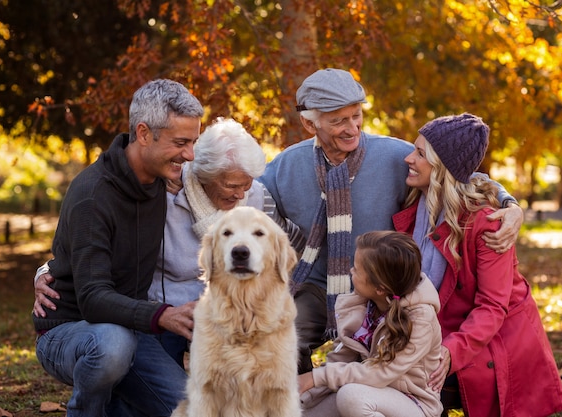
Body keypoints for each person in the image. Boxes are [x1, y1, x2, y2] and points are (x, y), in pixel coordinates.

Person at [258, 68, 524, 374]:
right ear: (309, 123)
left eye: (356, 115)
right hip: (317, 285)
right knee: (280, 339)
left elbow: (460, 175)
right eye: (338, 120)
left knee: (365, 374)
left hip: (381, 291)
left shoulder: (395, 156)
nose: (351, 128)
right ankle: (297, 400)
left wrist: (510, 203)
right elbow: (246, 196)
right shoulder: (287, 165)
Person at [34, 117, 306, 368]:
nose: (240, 195)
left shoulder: (255, 195)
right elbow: (106, 243)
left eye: (246, 185)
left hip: (230, 312)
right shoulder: (162, 192)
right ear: (206, 176)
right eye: (231, 185)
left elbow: (285, 246)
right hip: (165, 313)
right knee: (172, 401)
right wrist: (48, 270)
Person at [31, 79, 205, 417]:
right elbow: (93, 299)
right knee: (112, 346)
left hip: (132, 331)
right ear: (143, 134)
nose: (190, 155)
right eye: (181, 142)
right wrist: (163, 315)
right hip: (70, 332)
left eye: (194, 142)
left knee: (197, 412)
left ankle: (119, 402)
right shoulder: (92, 196)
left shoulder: (165, 175)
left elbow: (234, 179)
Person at [392, 113, 562, 416]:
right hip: (441, 331)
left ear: (442, 166)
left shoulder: (486, 224)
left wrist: (448, 351)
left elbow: (492, 307)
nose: (408, 158)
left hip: (492, 343)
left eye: (420, 153)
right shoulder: (417, 209)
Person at [298, 231, 443, 417]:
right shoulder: (363, 304)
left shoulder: (420, 319)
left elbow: (378, 373)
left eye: (357, 269)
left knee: (351, 397)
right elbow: (341, 358)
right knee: (300, 410)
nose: (351, 270)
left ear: (380, 288)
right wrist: (306, 394)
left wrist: (314, 377)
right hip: (369, 389)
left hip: (413, 403)